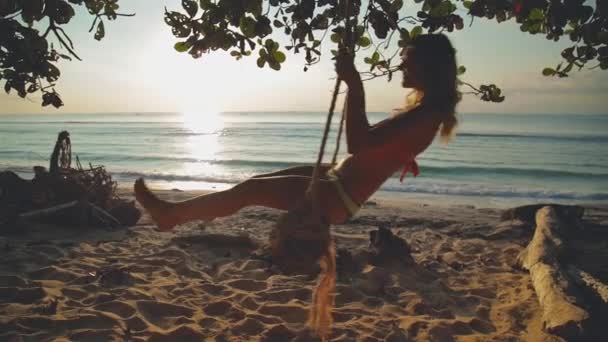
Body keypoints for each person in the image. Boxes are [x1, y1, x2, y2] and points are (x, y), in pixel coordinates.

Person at [134, 33, 459, 231]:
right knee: (252, 186)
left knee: (247, 192)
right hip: (335, 180)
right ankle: (177, 214)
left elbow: (358, 143)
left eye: (408, 61)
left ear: (428, 67)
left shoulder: (426, 113)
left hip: (337, 195)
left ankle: (171, 215)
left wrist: (355, 85)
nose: (401, 66)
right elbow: (370, 146)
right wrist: (352, 86)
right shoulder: (427, 111)